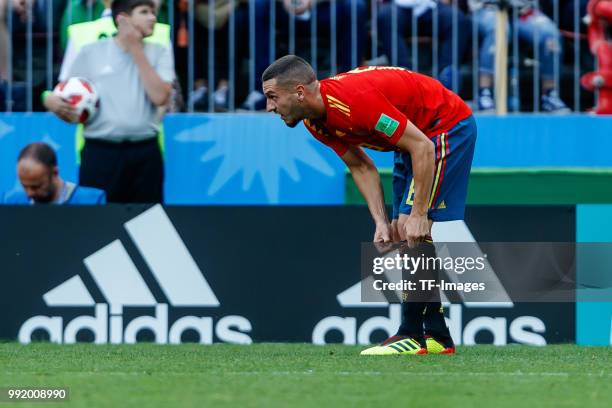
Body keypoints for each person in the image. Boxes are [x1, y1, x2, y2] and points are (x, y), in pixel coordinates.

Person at [262, 55, 477, 355]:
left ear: (299, 92)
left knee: (412, 228)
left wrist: (419, 212)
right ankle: (438, 337)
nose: (269, 107)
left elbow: (423, 147)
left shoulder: (355, 101)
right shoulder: (314, 120)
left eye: (272, 97)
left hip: (444, 127)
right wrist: (379, 221)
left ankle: (412, 335)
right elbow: (361, 166)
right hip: (411, 140)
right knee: (402, 232)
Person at [43, 0, 175, 203]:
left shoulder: (159, 51)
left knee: (149, 222)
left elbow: (159, 97)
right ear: (123, 19)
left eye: (153, 12)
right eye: (144, 12)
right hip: (100, 152)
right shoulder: (90, 52)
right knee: (99, 225)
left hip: (145, 152)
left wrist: (136, 51)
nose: (153, 18)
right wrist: (48, 99)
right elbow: (66, 98)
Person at [470, 0, 571, 112]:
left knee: (550, 35)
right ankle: (484, 93)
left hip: (523, 11)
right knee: (498, 31)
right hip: (487, 9)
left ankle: (550, 94)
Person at [376, 0, 472, 92]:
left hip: (431, 6)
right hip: (398, 7)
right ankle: (404, 75)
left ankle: (446, 74)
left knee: (457, 18)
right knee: (385, 16)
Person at [1, 142, 106, 205]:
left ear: (55, 173)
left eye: (36, 187)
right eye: (24, 186)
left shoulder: (92, 201)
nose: (30, 193)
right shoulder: (10, 201)